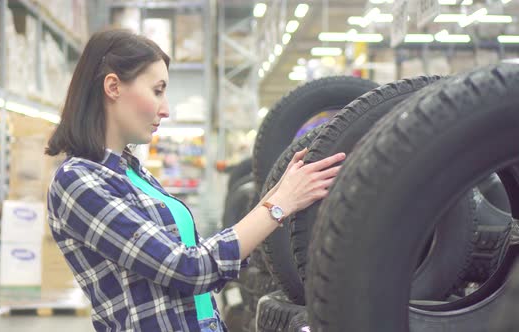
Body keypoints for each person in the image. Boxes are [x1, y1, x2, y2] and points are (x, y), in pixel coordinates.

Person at [45, 29, 345, 332]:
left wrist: (282, 188)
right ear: (113, 87)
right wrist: (278, 205)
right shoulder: (78, 181)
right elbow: (186, 268)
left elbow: (196, 251)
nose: (166, 109)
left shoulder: (135, 173)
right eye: (157, 90)